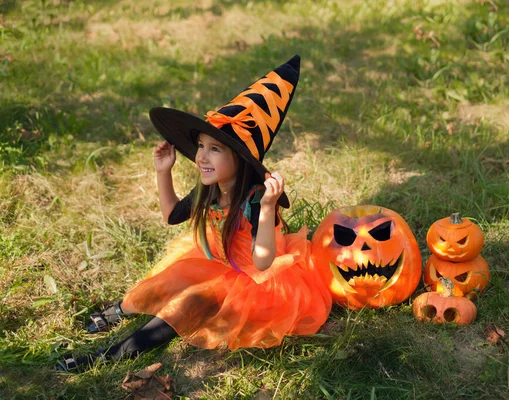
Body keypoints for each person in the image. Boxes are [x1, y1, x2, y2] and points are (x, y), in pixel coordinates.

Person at [56, 55, 332, 372]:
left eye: (215, 149)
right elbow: (173, 214)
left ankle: (108, 355)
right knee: (173, 275)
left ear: (240, 160)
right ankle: (123, 308)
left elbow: (263, 262)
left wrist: (268, 209)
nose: (202, 156)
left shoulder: (254, 200)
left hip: (251, 281)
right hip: (214, 259)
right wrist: (164, 172)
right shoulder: (210, 187)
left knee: (184, 305)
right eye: (201, 146)